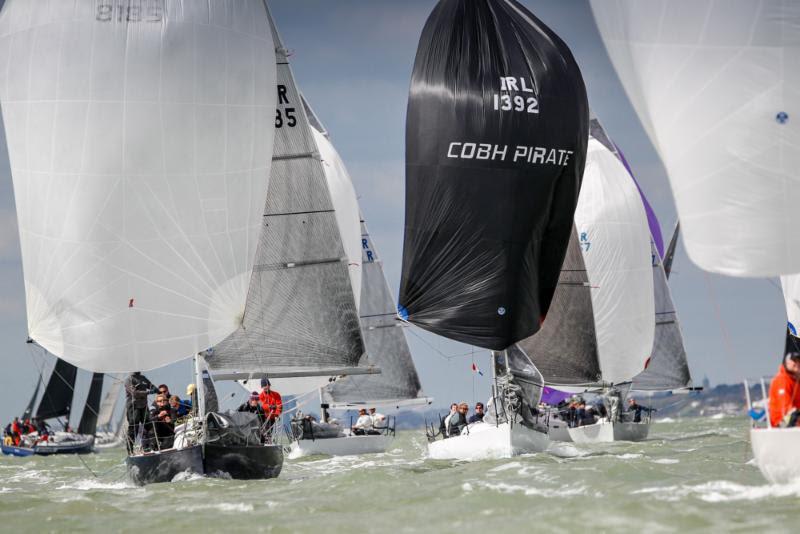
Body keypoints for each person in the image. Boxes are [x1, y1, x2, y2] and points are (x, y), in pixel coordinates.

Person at [125, 371, 156, 452]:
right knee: (134, 428)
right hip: (133, 407)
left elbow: (151, 386)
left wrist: (156, 389)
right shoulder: (129, 379)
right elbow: (134, 393)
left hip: (144, 406)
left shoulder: (143, 378)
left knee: (150, 426)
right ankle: (130, 450)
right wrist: (148, 392)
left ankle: (154, 446)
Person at [769, 352, 800, 427]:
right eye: (794, 360)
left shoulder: (796, 381)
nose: (797, 363)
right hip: (780, 422)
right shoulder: (782, 380)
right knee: (793, 414)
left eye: (798, 361)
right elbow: (785, 407)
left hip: (795, 419)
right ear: (787, 363)